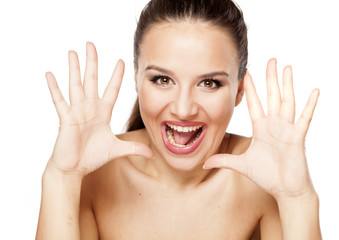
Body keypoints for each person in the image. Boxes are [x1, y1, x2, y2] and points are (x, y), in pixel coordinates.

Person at [36, 0, 321, 239]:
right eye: (162, 79)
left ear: (239, 91)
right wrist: (61, 178)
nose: (183, 109)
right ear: (137, 81)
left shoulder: (264, 178)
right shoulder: (93, 174)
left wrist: (297, 200)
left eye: (209, 83)